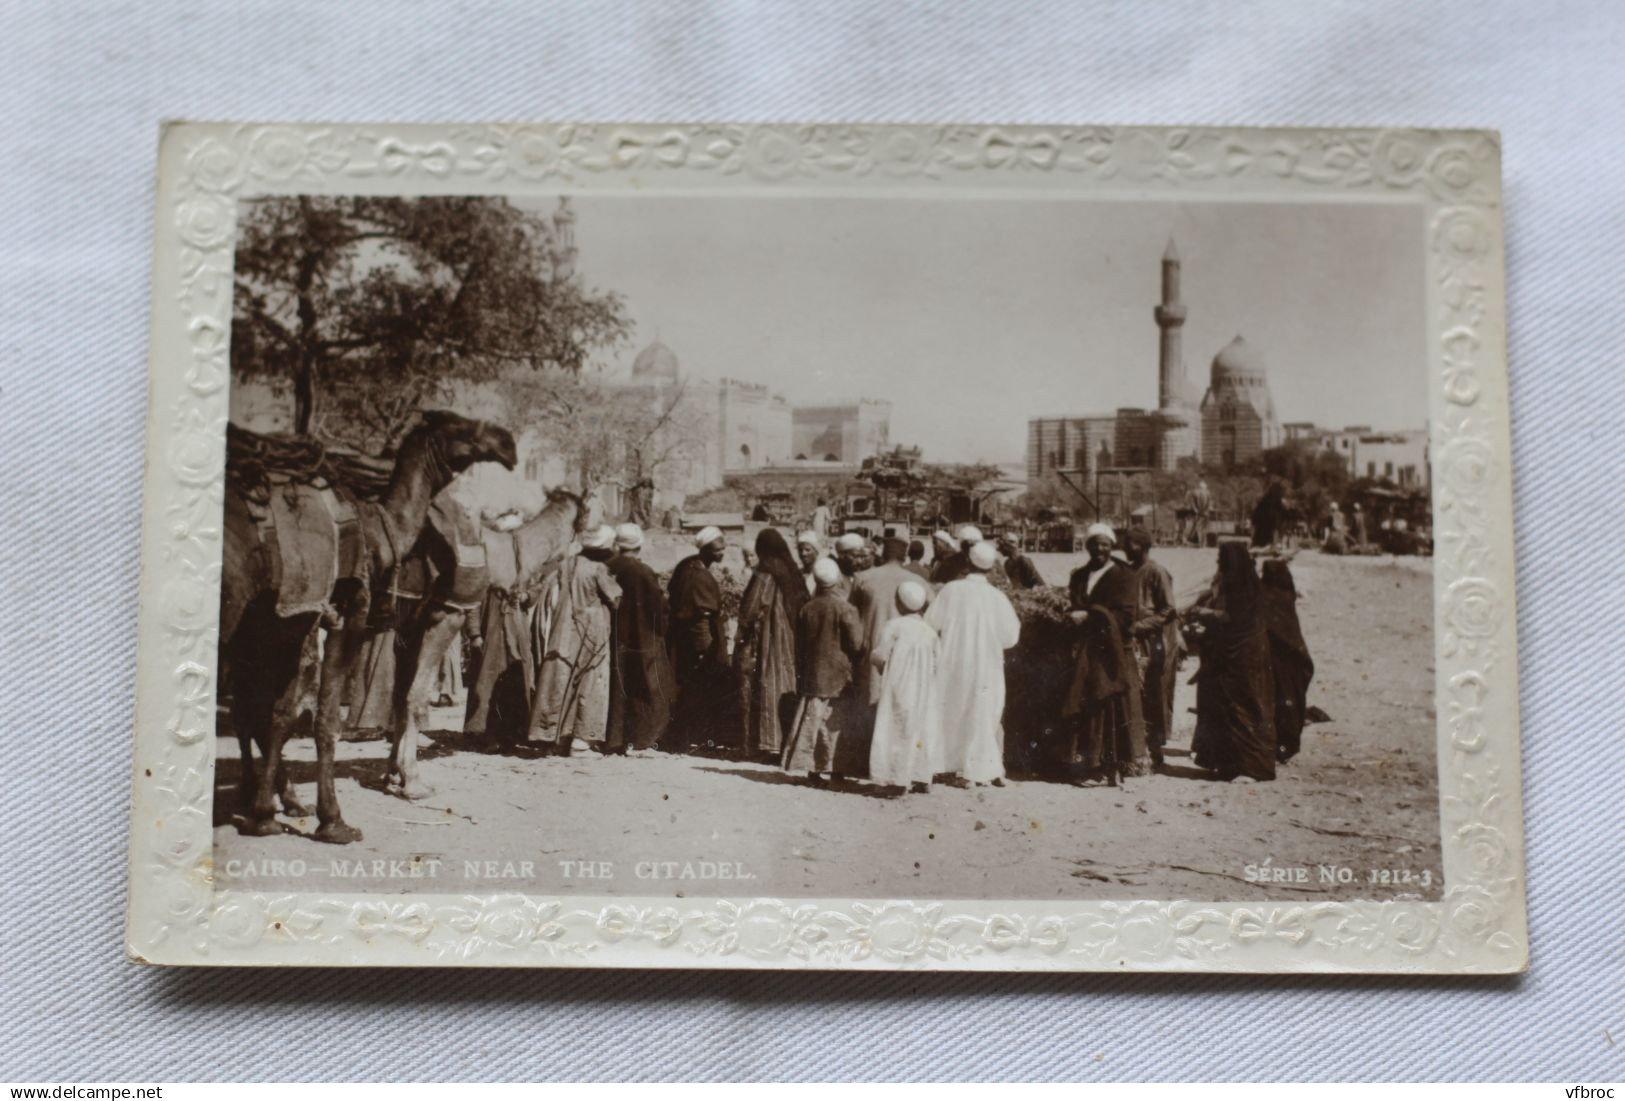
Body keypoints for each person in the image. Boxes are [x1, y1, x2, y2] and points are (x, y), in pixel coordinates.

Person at [1060, 524, 1150, 783]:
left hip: (1112, 651)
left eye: (1105, 545)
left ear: (1112, 547)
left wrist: (1090, 616)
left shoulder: (1124, 575)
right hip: (1086, 650)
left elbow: (1126, 616)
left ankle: (1111, 767)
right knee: (1086, 705)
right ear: (1087, 546)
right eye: (1095, 544)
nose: (1099, 549)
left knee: (1109, 705)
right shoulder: (1080, 575)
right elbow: (1075, 604)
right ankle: (1089, 765)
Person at [926, 540, 1021, 786]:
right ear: (991, 568)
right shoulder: (997, 597)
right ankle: (977, 770)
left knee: (951, 710)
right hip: (986, 665)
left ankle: (945, 765)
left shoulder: (950, 590)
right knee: (982, 713)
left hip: (953, 662)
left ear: (967, 562)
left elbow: (931, 622)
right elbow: (1011, 637)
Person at [527, 524, 622, 753]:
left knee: (559, 681)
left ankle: (554, 739)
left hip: (562, 629)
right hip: (592, 631)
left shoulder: (564, 565)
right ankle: (582, 741)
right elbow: (615, 599)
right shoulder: (598, 569)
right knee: (591, 683)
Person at [1187, 541, 1276, 782]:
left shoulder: (1244, 589)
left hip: (1244, 658)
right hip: (1233, 656)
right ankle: (1229, 765)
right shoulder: (1235, 584)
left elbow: (1235, 618)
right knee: (1228, 708)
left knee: (1243, 708)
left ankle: (1252, 768)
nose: (1219, 565)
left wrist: (1206, 614)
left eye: (1222, 560)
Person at [782, 558, 865, 783]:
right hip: (839, 677)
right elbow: (856, 645)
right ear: (837, 579)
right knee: (835, 725)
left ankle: (813, 770)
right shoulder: (846, 609)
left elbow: (799, 645)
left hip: (812, 676)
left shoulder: (807, 608)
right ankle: (836, 769)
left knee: (814, 724)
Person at [842, 537, 919, 778]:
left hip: (871, 651)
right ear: (904, 556)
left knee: (869, 701)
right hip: (906, 655)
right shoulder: (917, 581)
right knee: (900, 706)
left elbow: (851, 613)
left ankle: (867, 761)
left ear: (883, 554)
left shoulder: (864, 578)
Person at [735, 527, 807, 761]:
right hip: (792, 638)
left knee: (769, 684)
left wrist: (741, 634)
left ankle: (769, 744)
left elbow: (751, 608)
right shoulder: (792, 571)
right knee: (787, 685)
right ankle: (788, 742)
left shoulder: (765, 573)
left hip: (772, 637)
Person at [604, 522, 675, 756]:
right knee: (648, 686)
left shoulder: (608, 567)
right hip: (643, 636)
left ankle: (615, 739)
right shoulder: (642, 571)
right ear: (639, 544)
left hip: (615, 635)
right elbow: (659, 607)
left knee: (618, 685)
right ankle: (642, 741)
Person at [868, 580, 941, 793]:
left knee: (895, 726)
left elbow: (881, 655)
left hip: (898, 684)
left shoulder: (894, 626)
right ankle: (921, 777)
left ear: (899, 603)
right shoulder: (929, 631)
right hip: (923, 688)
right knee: (921, 727)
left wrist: (878, 662)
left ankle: (895, 780)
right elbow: (937, 662)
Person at [1122, 526, 1183, 769]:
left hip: (1154, 642)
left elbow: (1169, 610)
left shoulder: (1156, 571)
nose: (1125, 548)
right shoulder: (1128, 570)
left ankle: (1156, 749)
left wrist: (1139, 626)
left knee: (1155, 693)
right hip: (1133, 640)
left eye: (1130, 544)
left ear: (1143, 546)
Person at [666, 526, 730, 752]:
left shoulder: (687, 566)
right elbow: (703, 616)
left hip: (683, 636)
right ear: (706, 549)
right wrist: (708, 647)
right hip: (698, 638)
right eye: (718, 549)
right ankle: (695, 737)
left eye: (723, 548)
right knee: (700, 685)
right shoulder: (699, 576)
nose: (722, 552)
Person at [1260, 558, 1315, 763]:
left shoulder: (1265, 597)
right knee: (1290, 704)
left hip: (1275, 660)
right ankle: (1287, 747)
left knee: (1274, 702)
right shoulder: (1287, 596)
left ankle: (1276, 746)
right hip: (1295, 658)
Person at [1251, 481, 1287, 549]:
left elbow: (1254, 517)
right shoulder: (1269, 502)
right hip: (1265, 532)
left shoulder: (1266, 501)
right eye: (1281, 492)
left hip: (1266, 533)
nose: (1282, 494)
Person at [795, 530, 823, 594]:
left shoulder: (822, 574)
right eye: (800, 550)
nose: (803, 553)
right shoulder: (797, 574)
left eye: (807, 550)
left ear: (816, 551)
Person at [1188, 479, 1213, 546]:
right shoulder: (1207, 492)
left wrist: (1196, 510)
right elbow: (1209, 503)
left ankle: (1201, 542)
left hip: (1199, 513)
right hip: (1204, 513)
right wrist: (1206, 511)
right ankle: (1202, 543)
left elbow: (1192, 503)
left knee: (1199, 527)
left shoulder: (1195, 492)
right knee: (1203, 528)